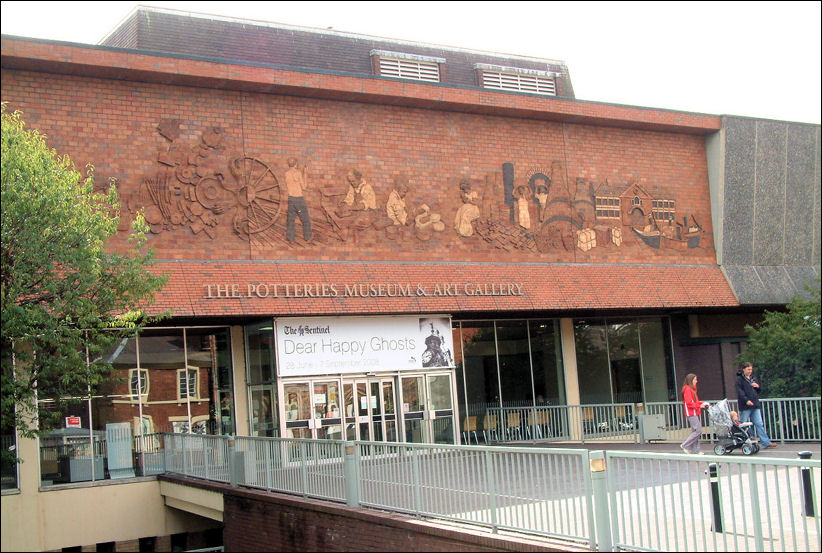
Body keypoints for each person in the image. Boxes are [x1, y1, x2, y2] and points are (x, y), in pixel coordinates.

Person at [736, 362, 776, 448]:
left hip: (755, 404)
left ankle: (766, 442)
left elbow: (758, 391)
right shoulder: (740, 379)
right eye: (748, 369)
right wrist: (746, 400)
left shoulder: (753, 378)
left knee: (759, 423)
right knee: (743, 424)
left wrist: (757, 386)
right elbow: (740, 392)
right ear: (743, 369)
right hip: (745, 405)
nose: (750, 371)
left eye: (751, 369)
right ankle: (742, 441)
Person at [284, 157, 312, 242]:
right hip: (299, 199)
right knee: (305, 219)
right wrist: (305, 173)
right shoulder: (299, 173)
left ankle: (290, 238)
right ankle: (307, 237)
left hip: (291, 199)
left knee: (291, 220)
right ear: (296, 164)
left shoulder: (286, 174)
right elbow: (304, 187)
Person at [680, 373, 709, 454]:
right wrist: (700, 406)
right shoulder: (688, 389)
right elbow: (689, 403)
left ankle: (696, 450)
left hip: (693, 412)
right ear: (691, 380)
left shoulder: (690, 389)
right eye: (695, 379)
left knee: (695, 432)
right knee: (698, 431)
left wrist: (702, 403)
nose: (697, 381)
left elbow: (693, 402)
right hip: (691, 412)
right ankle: (685, 445)